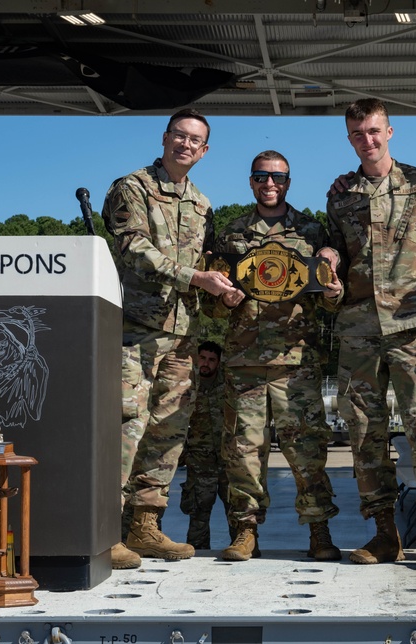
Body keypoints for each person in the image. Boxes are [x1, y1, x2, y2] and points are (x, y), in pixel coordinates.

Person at [323, 99, 416, 570]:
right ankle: (384, 534)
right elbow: (336, 253)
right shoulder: (340, 195)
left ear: (390, 131)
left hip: (412, 327)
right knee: (363, 435)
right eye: (358, 133)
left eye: (375, 131)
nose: (368, 140)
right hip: (359, 329)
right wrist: (331, 274)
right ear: (350, 138)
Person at [102, 108, 239, 569]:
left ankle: (145, 525)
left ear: (204, 151)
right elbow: (133, 247)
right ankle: (105, 531)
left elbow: (209, 261)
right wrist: (195, 277)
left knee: (168, 432)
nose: (185, 144)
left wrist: (226, 288)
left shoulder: (201, 204)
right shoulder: (132, 188)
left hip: (183, 337)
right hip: (135, 332)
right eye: (178, 135)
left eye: (194, 140)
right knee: (127, 427)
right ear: (164, 138)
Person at [206, 149, 342, 562]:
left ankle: (319, 530)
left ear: (288, 181)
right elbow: (211, 305)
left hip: (295, 361)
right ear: (251, 181)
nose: (270, 184)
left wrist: (334, 294)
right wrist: (225, 300)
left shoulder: (311, 233)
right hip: (244, 362)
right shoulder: (231, 235)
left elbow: (328, 299)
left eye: (278, 177)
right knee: (243, 452)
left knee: (308, 452)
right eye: (261, 176)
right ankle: (246, 531)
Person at [179, 340, 232, 549]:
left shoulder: (228, 384)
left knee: (237, 511)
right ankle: (197, 555)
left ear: (218, 363)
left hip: (228, 460)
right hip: (199, 462)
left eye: (211, 360)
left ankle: (243, 549)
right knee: (198, 514)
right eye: (202, 358)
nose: (206, 363)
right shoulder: (186, 385)